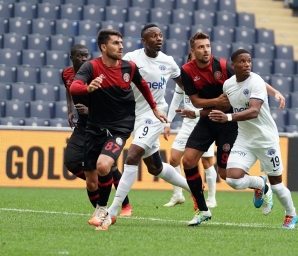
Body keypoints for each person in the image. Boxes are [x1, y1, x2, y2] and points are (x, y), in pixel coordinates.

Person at [180, 32, 285, 226]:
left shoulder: (221, 66)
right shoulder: (187, 71)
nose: (206, 50)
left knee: (225, 174)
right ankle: (202, 210)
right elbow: (195, 101)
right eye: (201, 47)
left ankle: (260, 184)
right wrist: (215, 102)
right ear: (193, 51)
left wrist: (275, 92)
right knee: (188, 160)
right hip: (209, 119)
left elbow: (251, 78)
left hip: (229, 123)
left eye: (208, 46)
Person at [70, 29, 167, 231]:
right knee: (91, 182)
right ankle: (100, 210)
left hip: (120, 127)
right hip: (94, 127)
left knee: (104, 165)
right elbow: (74, 87)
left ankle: (103, 211)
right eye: (115, 43)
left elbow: (142, 86)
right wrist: (87, 89)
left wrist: (155, 108)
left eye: (121, 42)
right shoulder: (91, 67)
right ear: (104, 47)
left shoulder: (129, 67)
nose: (121, 46)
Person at [107, 24, 196, 222]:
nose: (158, 38)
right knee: (155, 168)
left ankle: (113, 211)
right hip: (133, 115)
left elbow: (186, 87)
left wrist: (198, 107)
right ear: (143, 41)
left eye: (160, 35)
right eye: (153, 36)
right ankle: (193, 187)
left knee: (132, 156)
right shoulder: (131, 58)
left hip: (156, 114)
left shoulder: (169, 62)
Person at [208, 48, 298, 229]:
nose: (247, 64)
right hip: (244, 138)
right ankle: (259, 184)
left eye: (249, 61)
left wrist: (228, 118)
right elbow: (226, 102)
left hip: (266, 139)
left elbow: (254, 111)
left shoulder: (255, 81)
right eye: (242, 61)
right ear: (233, 65)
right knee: (232, 179)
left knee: (278, 185)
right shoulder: (228, 85)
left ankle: (291, 214)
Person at [62, 44, 133, 217]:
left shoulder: (97, 73)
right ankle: (101, 194)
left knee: (107, 166)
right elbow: (69, 90)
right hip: (82, 125)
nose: (84, 58)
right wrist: (71, 110)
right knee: (71, 161)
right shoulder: (66, 74)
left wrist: (91, 110)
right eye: (80, 55)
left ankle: (124, 206)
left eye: (86, 55)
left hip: (100, 124)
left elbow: (109, 102)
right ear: (72, 58)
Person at [163, 52, 217, 208]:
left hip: (204, 124)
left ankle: (212, 198)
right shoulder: (184, 81)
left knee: (207, 162)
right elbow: (175, 101)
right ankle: (178, 195)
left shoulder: (208, 80)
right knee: (173, 158)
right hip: (187, 125)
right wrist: (168, 123)